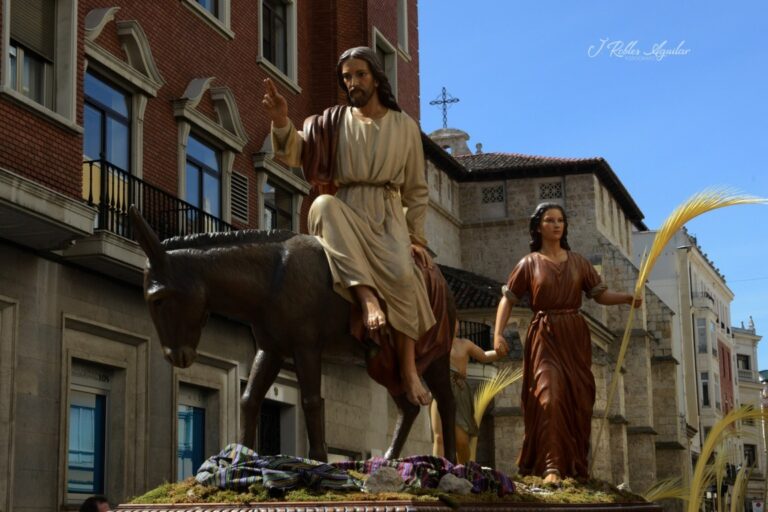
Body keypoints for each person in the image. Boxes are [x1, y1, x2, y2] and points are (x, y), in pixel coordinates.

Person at [263, 47, 435, 406]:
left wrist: (416, 236)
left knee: (405, 276)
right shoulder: (333, 122)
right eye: (346, 77)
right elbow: (296, 153)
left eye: (359, 74)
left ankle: (408, 369)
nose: (352, 82)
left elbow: (416, 190)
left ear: (375, 77)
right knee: (323, 204)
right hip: (347, 207)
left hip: (387, 214)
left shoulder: (405, 127)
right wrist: (281, 121)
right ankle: (367, 297)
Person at [493, 203, 641, 484]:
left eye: (561, 220)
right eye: (550, 220)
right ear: (538, 226)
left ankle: (574, 465)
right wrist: (498, 334)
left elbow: (599, 295)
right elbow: (507, 299)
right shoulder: (529, 263)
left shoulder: (579, 262)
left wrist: (626, 298)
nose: (556, 225)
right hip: (544, 335)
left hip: (575, 336)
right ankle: (550, 467)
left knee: (578, 403)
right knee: (548, 397)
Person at [430, 320, 508, 464]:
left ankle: (465, 469)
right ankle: (438, 470)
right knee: (439, 437)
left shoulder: (464, 344)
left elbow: (484, 356)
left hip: (459, 391)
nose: (455, 324)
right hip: (441, 390)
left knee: (461, 440)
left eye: (456, 321)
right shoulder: (435, 344)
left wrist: (498, 353)